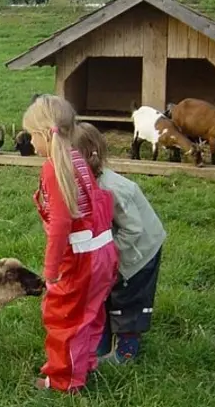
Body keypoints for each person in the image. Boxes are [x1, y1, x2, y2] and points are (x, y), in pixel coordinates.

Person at [22, 94, 118, 392]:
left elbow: (61, 224)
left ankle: (64, 381)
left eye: (30, 136)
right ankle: (85, 364)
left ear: (42, 133)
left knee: (64, 319)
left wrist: (50, 270)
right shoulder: (76, 157)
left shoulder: (54, 167)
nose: (30, 143)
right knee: (89, 314)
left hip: (79, 259)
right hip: (103, 251)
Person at [73, 121, 166, 364]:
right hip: (115, 249)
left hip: (140, 252)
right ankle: (100, 344)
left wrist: (106, 257)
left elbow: (133, 229)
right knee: (103, 295)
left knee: (128, 298)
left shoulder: (112, 189)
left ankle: (126, 351)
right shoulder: (84, 184)